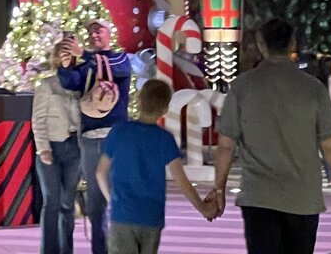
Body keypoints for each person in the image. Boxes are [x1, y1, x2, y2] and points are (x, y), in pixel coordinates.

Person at [213, 18, 331, 254]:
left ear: (261, 45)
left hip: (259, 197)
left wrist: (219, 189)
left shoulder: (242, 86)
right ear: (292, 44)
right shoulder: (313, 88)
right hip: (303, 198)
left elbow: (225, 146)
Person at [97, 78, 216, 254]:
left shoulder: (119, 132)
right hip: (151, 215)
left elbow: (100, 172)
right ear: (165, 109)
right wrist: (203, 208)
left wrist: (111, 200)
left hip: (122, 213)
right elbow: (182, 181)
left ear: (138, 100)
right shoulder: (165, 139)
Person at [56, 21, 132, 254]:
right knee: (95, 203)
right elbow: (69, 83)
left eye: (99, 30)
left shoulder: (119, 59)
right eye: (91, 32)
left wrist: (85, 54)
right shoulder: (86, 65)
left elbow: (118, 70)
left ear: (109, 34)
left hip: (116, 138)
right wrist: (65, 65)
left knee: (118, 196)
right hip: (90, 139)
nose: (94, 35)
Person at [31, 41, 81, 254]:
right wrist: (43, 147)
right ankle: (49, 249)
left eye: (69, 53)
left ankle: (66, 249)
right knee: (51, 201)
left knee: (67, 202)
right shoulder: (46, 84)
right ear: (56, 57)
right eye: (62, 53)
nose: (66, 57)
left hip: (75, 147)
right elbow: (38, 118)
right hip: (52, 145)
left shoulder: (80, 84)